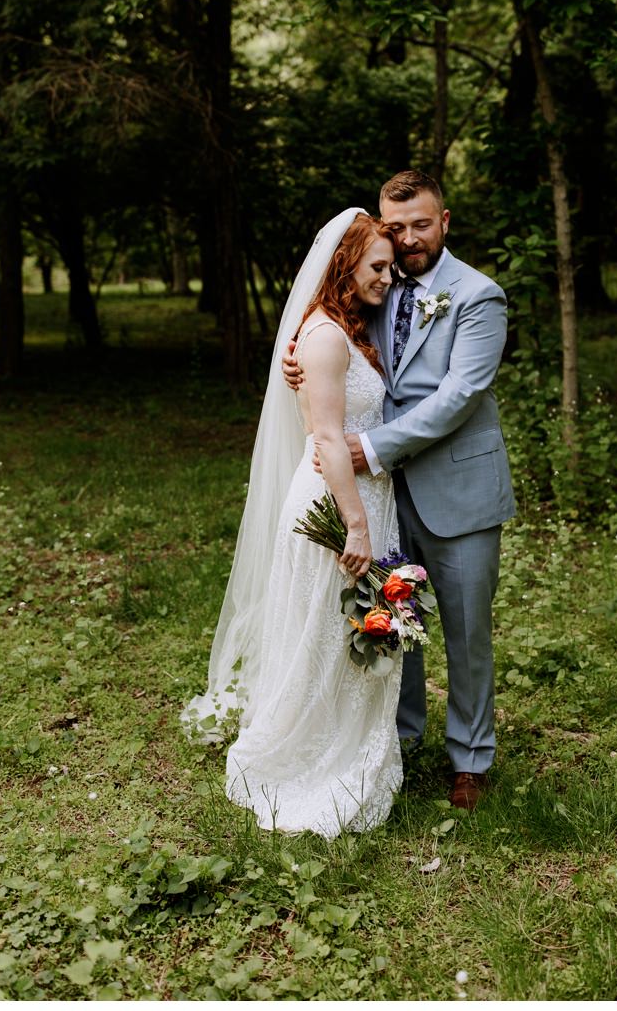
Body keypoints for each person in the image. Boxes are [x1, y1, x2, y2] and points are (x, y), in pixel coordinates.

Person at [287, 170, 513, 811]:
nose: (409, 238)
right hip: (388, 493)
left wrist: (376, 447)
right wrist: (301, 360)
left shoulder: (478, 296)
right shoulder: (379, 283)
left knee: (466, 629)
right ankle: (400, 735)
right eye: (398, 226)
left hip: (457, 487)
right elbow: (344, 348)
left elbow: (460, 395)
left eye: (422, 224)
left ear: (446, 221)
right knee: (393, 617)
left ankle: (469, 759)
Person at [181, 209, 406, 838]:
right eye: (377, 267)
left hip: (358, 495)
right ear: (344, 265)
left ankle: (350, 739)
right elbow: (329, 440)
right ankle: (305, 753)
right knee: (321, 634)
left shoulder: (342, 328)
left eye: (390, 267)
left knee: (338, 636)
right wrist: (356, 527)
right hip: (339, 501)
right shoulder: (328, 336)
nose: (388, 278)